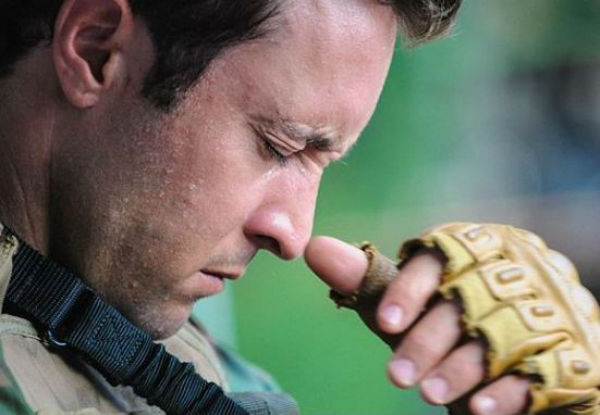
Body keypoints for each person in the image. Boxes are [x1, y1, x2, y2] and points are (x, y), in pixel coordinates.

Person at [0, 1, 597, 414]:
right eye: (279, 146)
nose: (294, 235)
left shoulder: (179, 366)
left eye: (323, 164)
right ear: (96, 49)